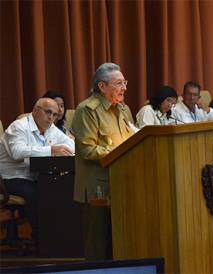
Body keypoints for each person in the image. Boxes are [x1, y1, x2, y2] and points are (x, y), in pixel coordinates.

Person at [72, 62, 135, 260]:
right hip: (97, 188)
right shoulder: (87, 110)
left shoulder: (124, 109)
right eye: (118, 83)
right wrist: (122, 152)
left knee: (122, 244)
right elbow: (89, 150)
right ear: (102, 86)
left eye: (124, 82)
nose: (124, 87)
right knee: (98, 248)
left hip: (123, 185)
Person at [0, 98, 74, 243]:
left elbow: (71, 145)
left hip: (34, 175)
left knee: (58, 188)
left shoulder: (50, 128)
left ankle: (60, 236)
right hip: (9, 178)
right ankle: (41, 238)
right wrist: (51, 150)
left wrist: (65, 149)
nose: (51, 118)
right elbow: (17, 152)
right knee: (37, 193)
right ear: (35, 111)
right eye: (48, 113)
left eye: (55, 115)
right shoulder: (18, 127)